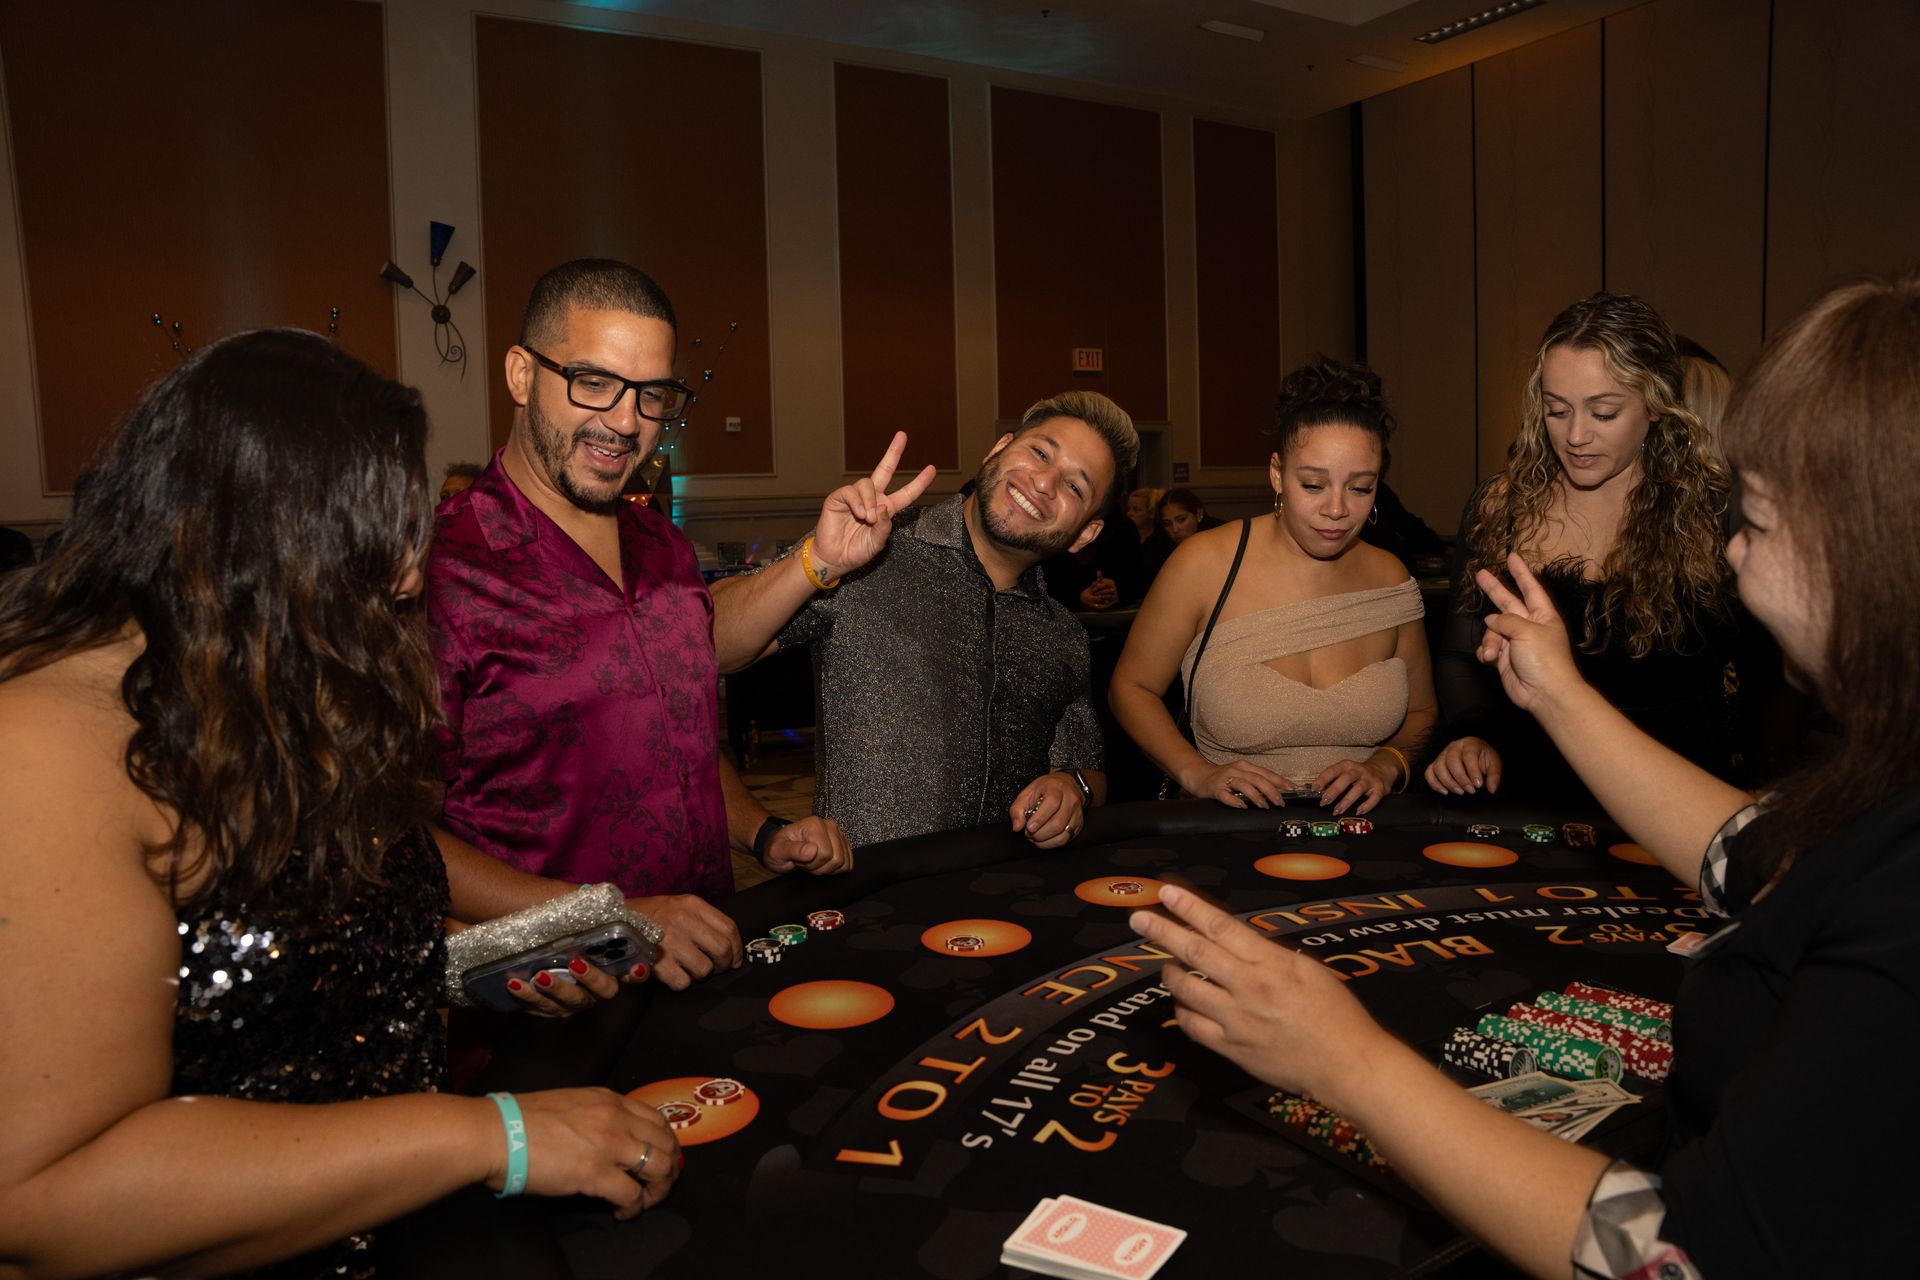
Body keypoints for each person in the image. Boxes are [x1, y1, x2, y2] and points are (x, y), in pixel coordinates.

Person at [1131, 267, 1920, 1277]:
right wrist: (1552, 692)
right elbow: (1752, 854)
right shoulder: (1883, 787)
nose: (1734, 558)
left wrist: (1347, 1057)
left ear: (1864, 555)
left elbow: (1686, 1253)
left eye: (1757, 524)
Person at [0, 330, 679, 1278]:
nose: (409, 575)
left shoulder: (264, 687)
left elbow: (311, 943)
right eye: (380, 534)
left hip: (402, 1223)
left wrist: (505, 949)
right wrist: (492, 1137)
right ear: (266, 526)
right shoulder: (40, 743)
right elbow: (41, 1199)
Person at [427, 260, 851, 989]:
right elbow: (397, 838)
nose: (626, 422)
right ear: (522, 375)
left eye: (651, 395)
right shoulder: (444, 570)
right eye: (593, 382)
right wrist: (607, 917)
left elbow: (673, 739)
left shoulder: (664, 548)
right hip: (549, 1018)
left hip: (705, 977)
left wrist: (762, 831)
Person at [709, 391, 1138, 849]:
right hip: (868, 904)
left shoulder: (1062, 635)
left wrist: (1074, 788)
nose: (1044, 483)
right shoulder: (874, 552)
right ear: (997, 449)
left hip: (1006, 907)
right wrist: (820, 562)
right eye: (1039, 452)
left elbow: (1087, 767)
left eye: (1075, 486)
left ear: (1086, 533)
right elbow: (706, 646)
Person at [1426, 293, 1738, 804]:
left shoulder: (1715, 513)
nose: (1575, 436)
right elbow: (1460, 655)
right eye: (1557, 410)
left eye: (1604, 412)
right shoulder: (1499, 505)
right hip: (1526, 792)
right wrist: (1471, 735)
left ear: (1656, 405)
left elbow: (1772, 687)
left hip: (1672, 801)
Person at [1110, 360, 1435, 814]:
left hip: (1364, 836)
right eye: (1313, 484)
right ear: (1277, 475)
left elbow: (1421, 714)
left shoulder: (1392, 579)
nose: (1337, 509)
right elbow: (1132, 687)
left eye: (1360, 488)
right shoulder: (1204, 563)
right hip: (1228, 834)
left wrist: (1386, 764)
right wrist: (1196, 772)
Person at [1127, 485, 1176, 584]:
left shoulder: (1164, 539)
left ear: (1151, 513)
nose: (1129, 513)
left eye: (1136, 510)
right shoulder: (1124, 536)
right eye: (1129, 508)